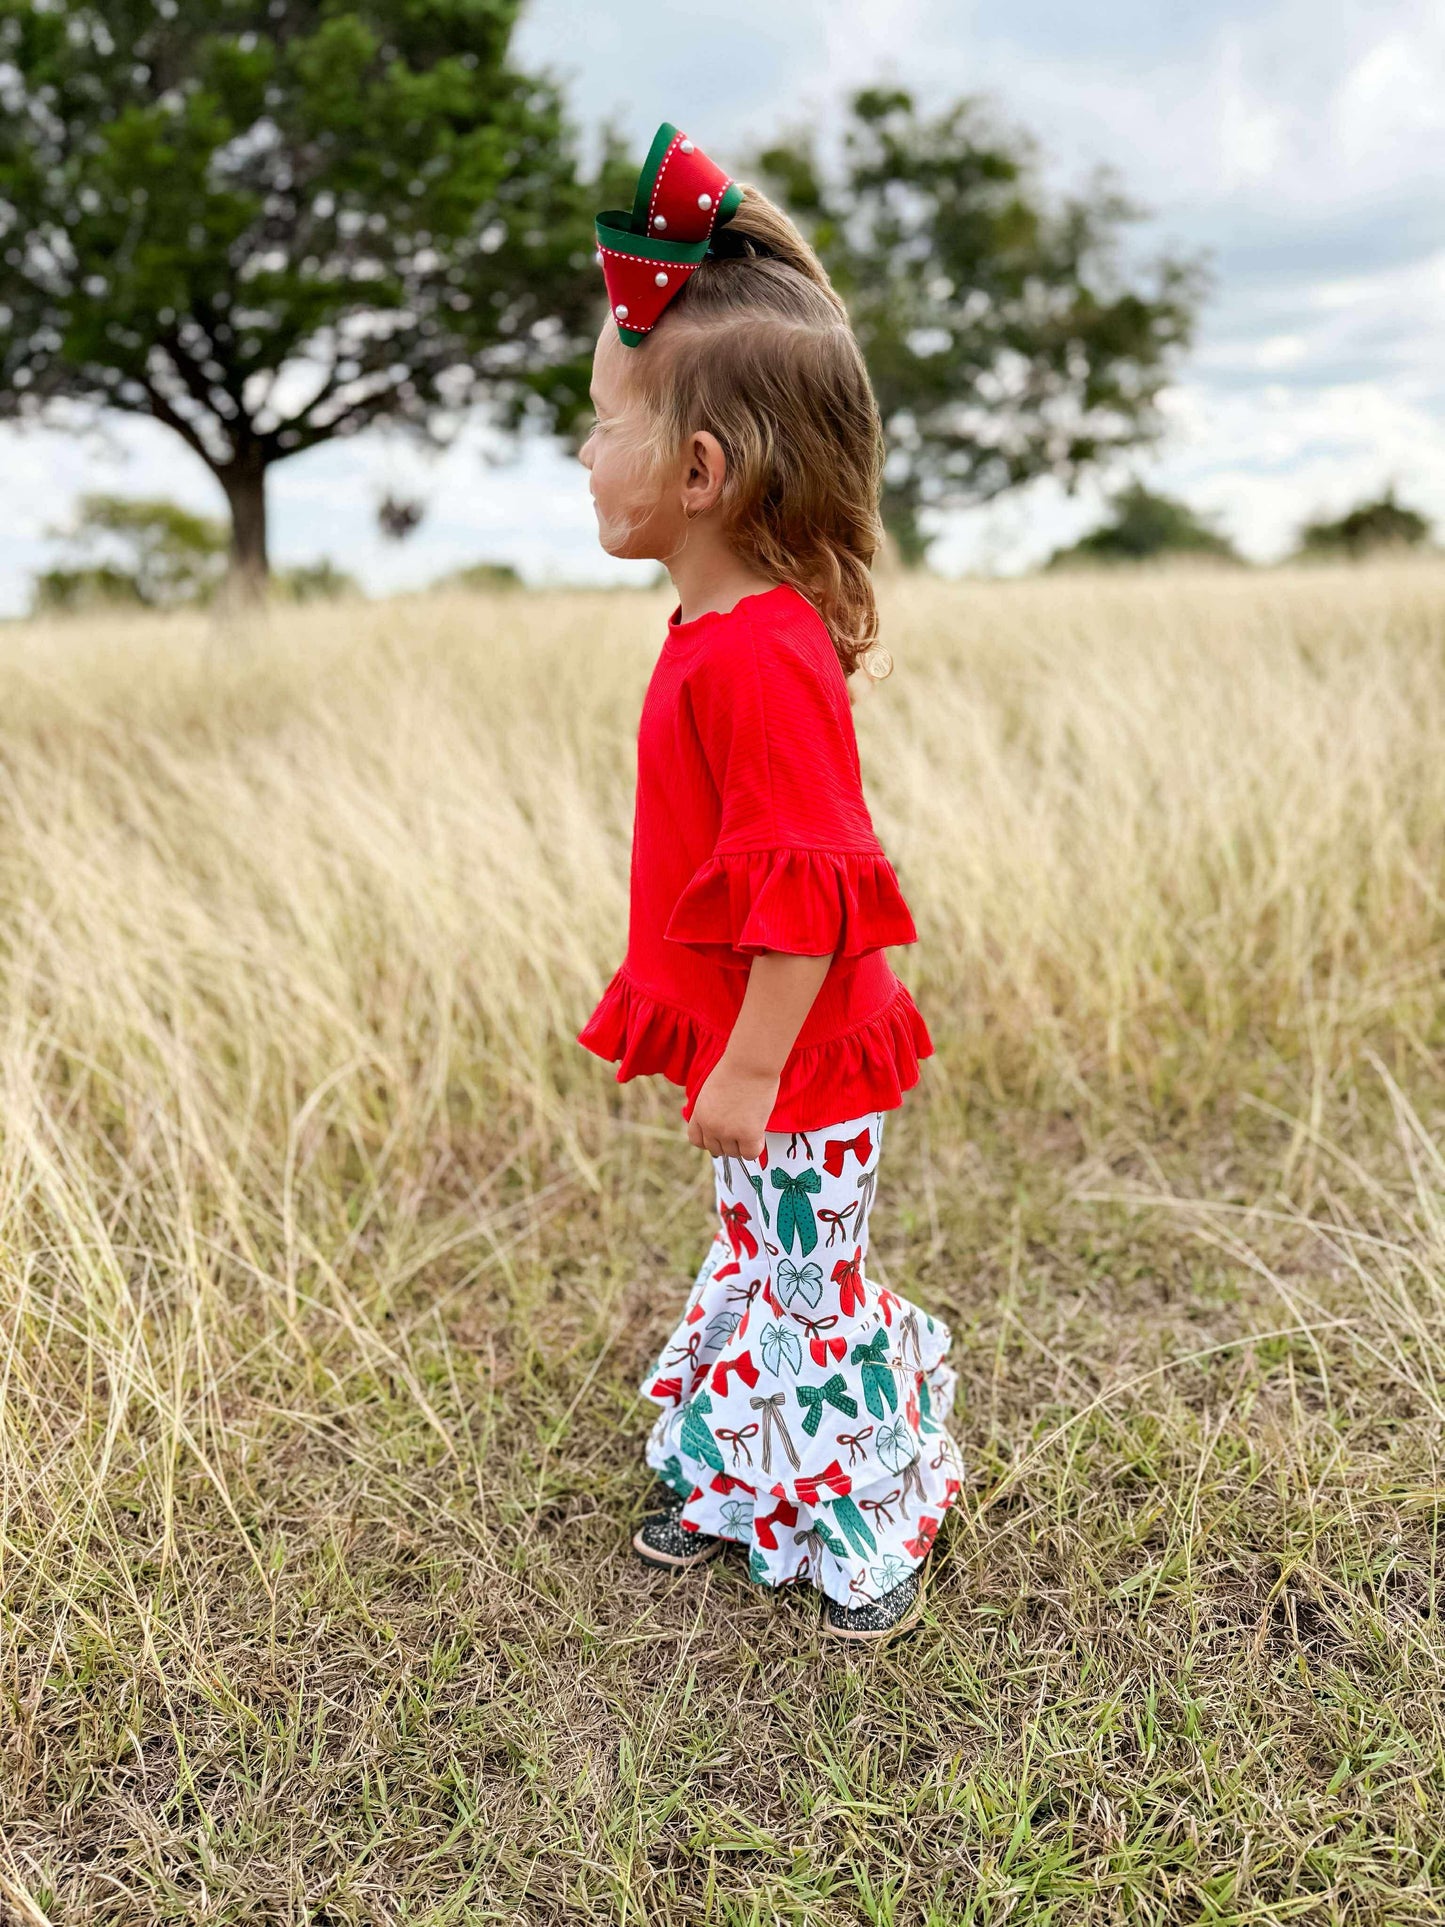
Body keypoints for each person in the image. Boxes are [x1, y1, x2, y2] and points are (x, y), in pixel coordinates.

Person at [575, 123, 966, 1643]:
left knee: (807, 1292)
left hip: (798, 1062)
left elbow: (813, 892)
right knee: (764, 1261)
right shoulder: (714, 632)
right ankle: (730, 1479)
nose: (581, 455)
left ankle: (867, 1513)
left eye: (600, 424)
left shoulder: (757, 656)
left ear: (696, 468)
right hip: (774, 1062)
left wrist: (745, 1067)